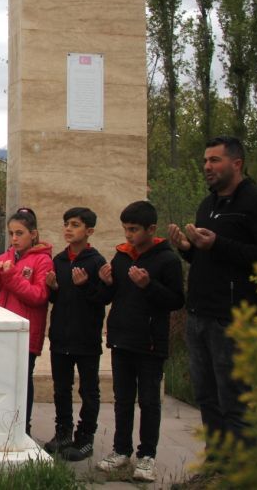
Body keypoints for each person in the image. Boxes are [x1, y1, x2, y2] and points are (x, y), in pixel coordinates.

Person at [167, 135, 257, 450]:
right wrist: (187, 249)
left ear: (237, 163)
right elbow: (208, 259)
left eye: (214, 160)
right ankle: (217, 464)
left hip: (235, 321)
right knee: (207, 398)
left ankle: (240, 469)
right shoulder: (208, 205)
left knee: (235, 401)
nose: (207, 166)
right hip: (199, 316)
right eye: (205, 160)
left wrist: (218, 244)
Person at [95, 201, 184, 482]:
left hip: (150, 343)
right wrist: (105, 283)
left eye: (133, 229)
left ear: (151, 229)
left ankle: (147, 456)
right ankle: (121, 450)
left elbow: (176, 300)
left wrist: (148, 285)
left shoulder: (167, 260)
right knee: (122, 400)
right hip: (121, 339)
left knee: (149, 401)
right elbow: (109, 298)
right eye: (125, 229)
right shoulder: (122, 257)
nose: (128, 235)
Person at [43, 207, 108, 461]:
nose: (68, 229)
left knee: (89, 391)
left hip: (86, 337)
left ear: (89, 231)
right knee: (61, 388)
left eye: (75, 225)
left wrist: (86, 285)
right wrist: (53, 288)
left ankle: (85, 438)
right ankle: (63, 432)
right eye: (66, 224)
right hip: (61, 336)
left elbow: (102, 298)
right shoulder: (59, 260)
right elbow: (58, 299)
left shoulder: (96, 261)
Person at [0, 207, 52, 436]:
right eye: (11, 233)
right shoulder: (5, 257)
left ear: (33, 234)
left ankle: (23, 428)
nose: (14, 238)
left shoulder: (42, 260)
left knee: (21, 382)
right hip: (2, 331)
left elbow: (39, 296)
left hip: (25, 333)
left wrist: (11, 276)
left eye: (19, 233)